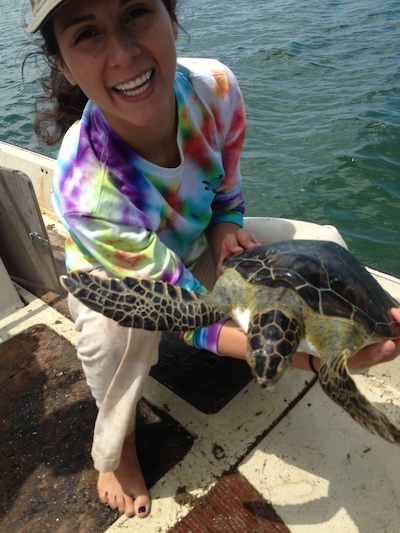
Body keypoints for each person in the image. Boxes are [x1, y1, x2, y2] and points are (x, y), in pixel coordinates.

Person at [27, 0, 400, 519]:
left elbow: (226, 194)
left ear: (171, 16)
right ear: (64, 64)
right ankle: (116, 450)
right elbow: (188, 320)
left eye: (136, 11)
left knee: (321, 241)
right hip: (119, 274)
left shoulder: (215, 87)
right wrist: (314, 362)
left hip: (200, 245)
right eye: (87, 33)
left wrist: (228, 233)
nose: (123, 52)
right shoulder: (84, 184)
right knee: (112, 336)